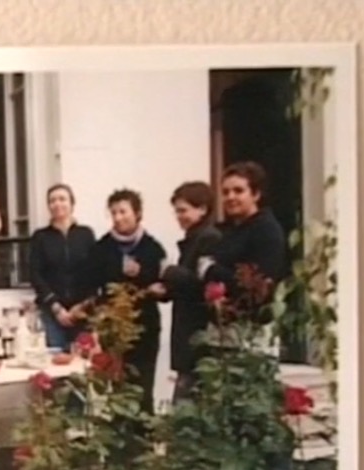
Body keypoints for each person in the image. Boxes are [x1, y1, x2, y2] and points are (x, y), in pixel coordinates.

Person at [83, 189, 168, 416]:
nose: (118, 218)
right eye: (114, 213)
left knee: (143, 385)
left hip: (145, 326)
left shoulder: (152, 247)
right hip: (113, 328)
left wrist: (141, 274)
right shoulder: (101, 248)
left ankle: (144, 432)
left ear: (137, 213)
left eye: (123, 212)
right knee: (118, 387)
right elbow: (91, 285)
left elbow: (163, 285)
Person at [156, 181, 222, 402]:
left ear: (202, 209)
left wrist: (170, 272)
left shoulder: (209, 239)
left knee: (189, 399)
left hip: (197, 331)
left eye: (183, 211)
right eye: (177, 212)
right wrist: (167, 290)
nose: (179, 217)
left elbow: (202, 283)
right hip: (188, 333)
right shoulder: (194, 239)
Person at [198, 162, 288, 317]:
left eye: (238, 191)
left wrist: (211, 270)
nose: (230, 197)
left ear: (256, 194)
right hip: (226, 321)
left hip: (253, 324)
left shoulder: (266, 230)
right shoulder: (230, 230)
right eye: (225, 192)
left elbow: (259, 286)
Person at [29, 183, 96, 351]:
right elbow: (35, 274)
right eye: (52, 201)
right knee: (55, 358)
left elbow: (94, 272)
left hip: (82, 312)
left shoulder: (85, 234)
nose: (57, 204)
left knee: (83, 359)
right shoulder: (40, 237)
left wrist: (82, 306)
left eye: (62, 199)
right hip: (52, 313)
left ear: (72, 203)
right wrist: (56, 308)